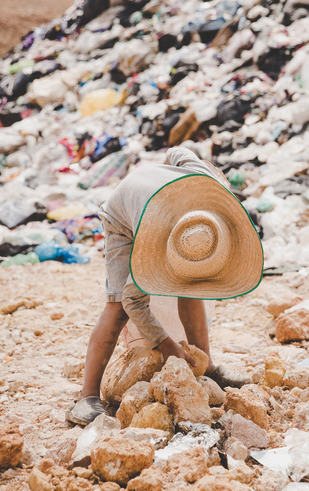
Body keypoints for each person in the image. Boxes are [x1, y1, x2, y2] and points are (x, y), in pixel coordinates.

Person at [66, 147, 264, 426]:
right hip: (123, 214)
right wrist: (166, 344)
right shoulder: (155, 244)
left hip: (160, 200)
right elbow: (132, 301)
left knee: (192, 285)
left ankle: (207, 368)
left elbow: (176, 151)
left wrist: (166, 177)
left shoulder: (210, 185)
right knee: (116, 306)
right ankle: (87, 397)